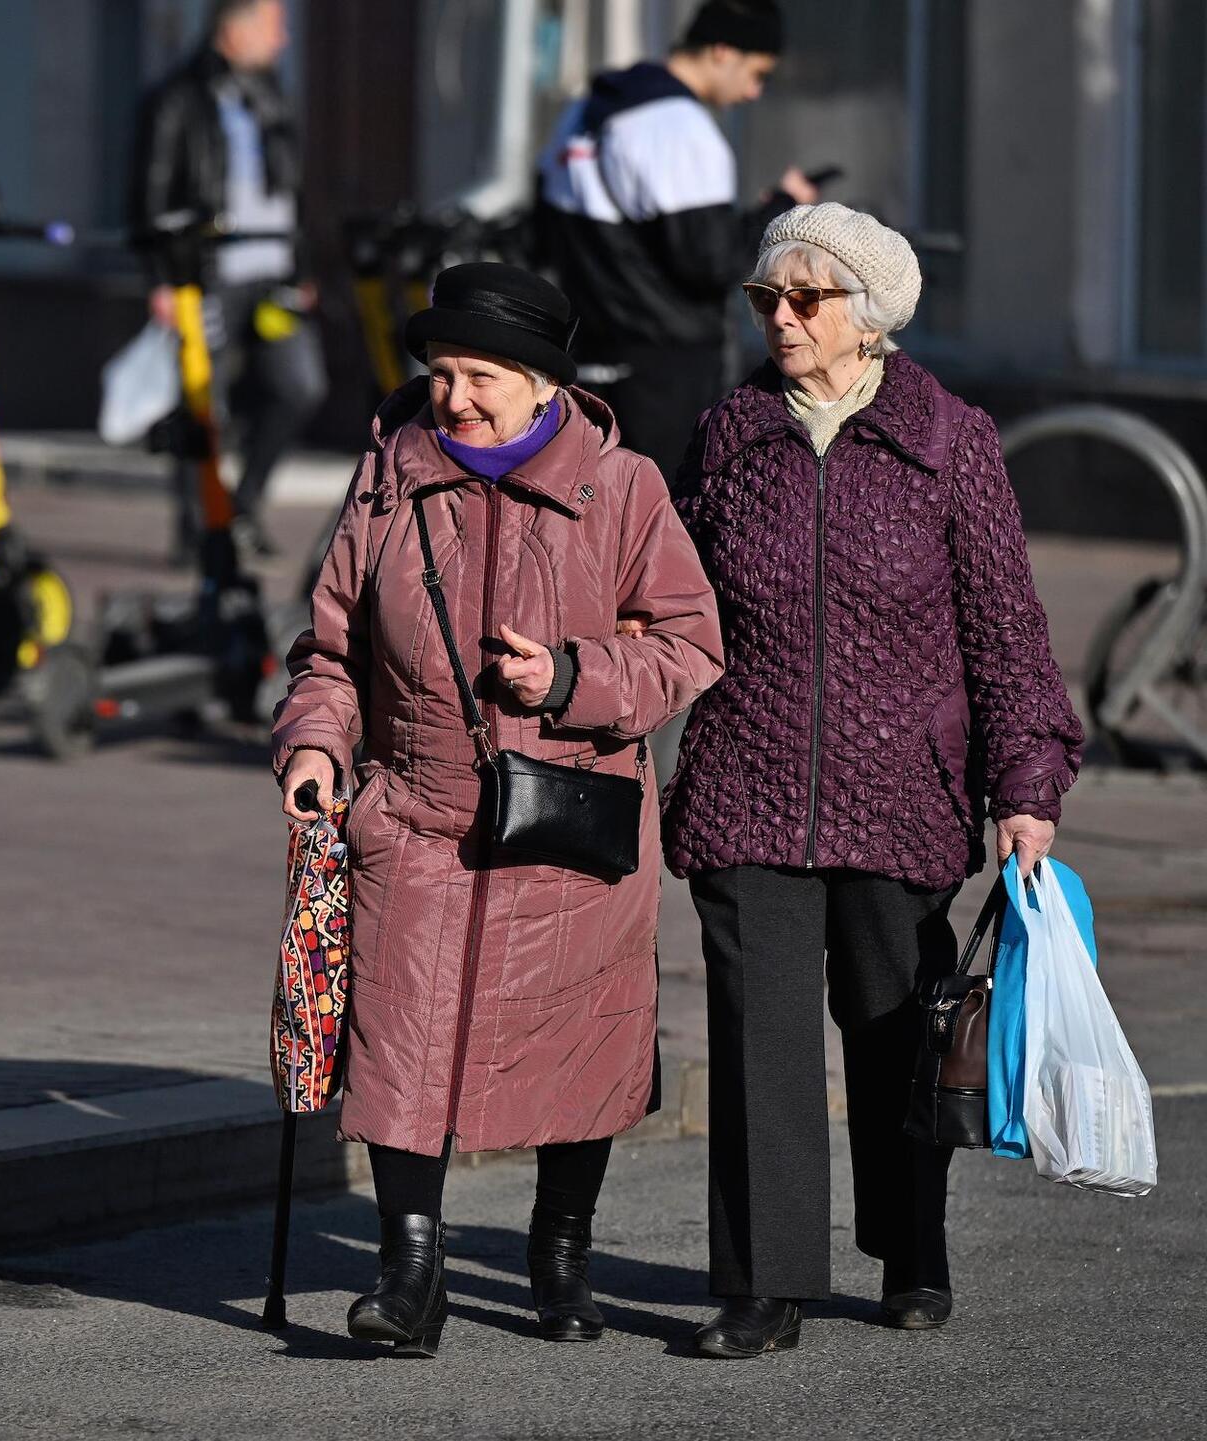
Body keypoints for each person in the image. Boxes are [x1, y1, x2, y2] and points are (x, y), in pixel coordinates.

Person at [272, 262, 723, 1354]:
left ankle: (559, 1257)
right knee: (401, 1042)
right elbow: (330, 649)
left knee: (577, 1045)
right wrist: (316, 746)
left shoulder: (623, 488)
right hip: (418, 814)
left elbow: (691, 645)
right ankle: (410, 1273)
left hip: (569, 820)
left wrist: (569, 678)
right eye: (441, 373)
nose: (455, 398)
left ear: (540, 384)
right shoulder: (388, 480)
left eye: (480, 376)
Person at [662, 203, 1085, 1358]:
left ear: (871, 313)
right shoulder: (728, 435)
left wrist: (1026, 784)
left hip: (902, 788)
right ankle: (764, 1282)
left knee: (898, 1026)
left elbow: (1005, 631)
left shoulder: (950, 442)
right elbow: (664, 605)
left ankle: (912, 1249)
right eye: (766, 301)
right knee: (761, 1035)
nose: (782, 319)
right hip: (747, 776)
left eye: (807, 299)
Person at [535, 0, 817, 481]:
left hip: (588, 353)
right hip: (666, 368)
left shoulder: (589, 108)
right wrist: (779, 207)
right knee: (668, 527)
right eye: (756, 72)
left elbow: (547, 229)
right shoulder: (678, 126)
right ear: (723, 51)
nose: (754, 92)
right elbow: (709, 261)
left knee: (592, 520)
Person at [129, 0, 326, 562]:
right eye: (274, 26)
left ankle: (242, 506)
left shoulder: (270, 97)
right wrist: (162, 280)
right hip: (208, 277)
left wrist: (301, 268)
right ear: (234, 30)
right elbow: (149, 198)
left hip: (271, 278)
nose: (283, 40)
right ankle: (200, 530)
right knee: (199, 403)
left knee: (299, 385)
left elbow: (292, 193)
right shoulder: (177, 100)